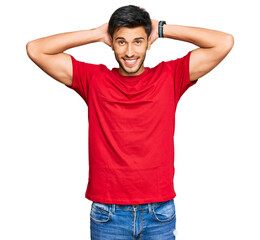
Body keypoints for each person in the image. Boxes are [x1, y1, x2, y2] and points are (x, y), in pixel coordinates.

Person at [26, 4, 234, 240]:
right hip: (108, 213)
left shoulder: (170, 76)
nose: (129, 52)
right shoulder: (94, 79)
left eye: (138, 41)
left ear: (148, 42)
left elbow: (224, 42)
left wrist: (162, 28)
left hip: (159, 211)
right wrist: (97, 33)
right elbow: (36, 49)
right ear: (112, 43)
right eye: (121, 41)